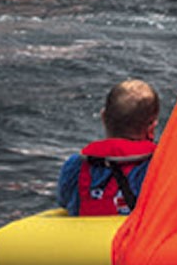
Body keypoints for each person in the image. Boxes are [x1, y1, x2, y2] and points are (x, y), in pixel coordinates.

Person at [57, 79, 160, 216]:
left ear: (103, 117)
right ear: (152, 127)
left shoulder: (75, 166)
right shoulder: (160, 168)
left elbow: (64, 201)